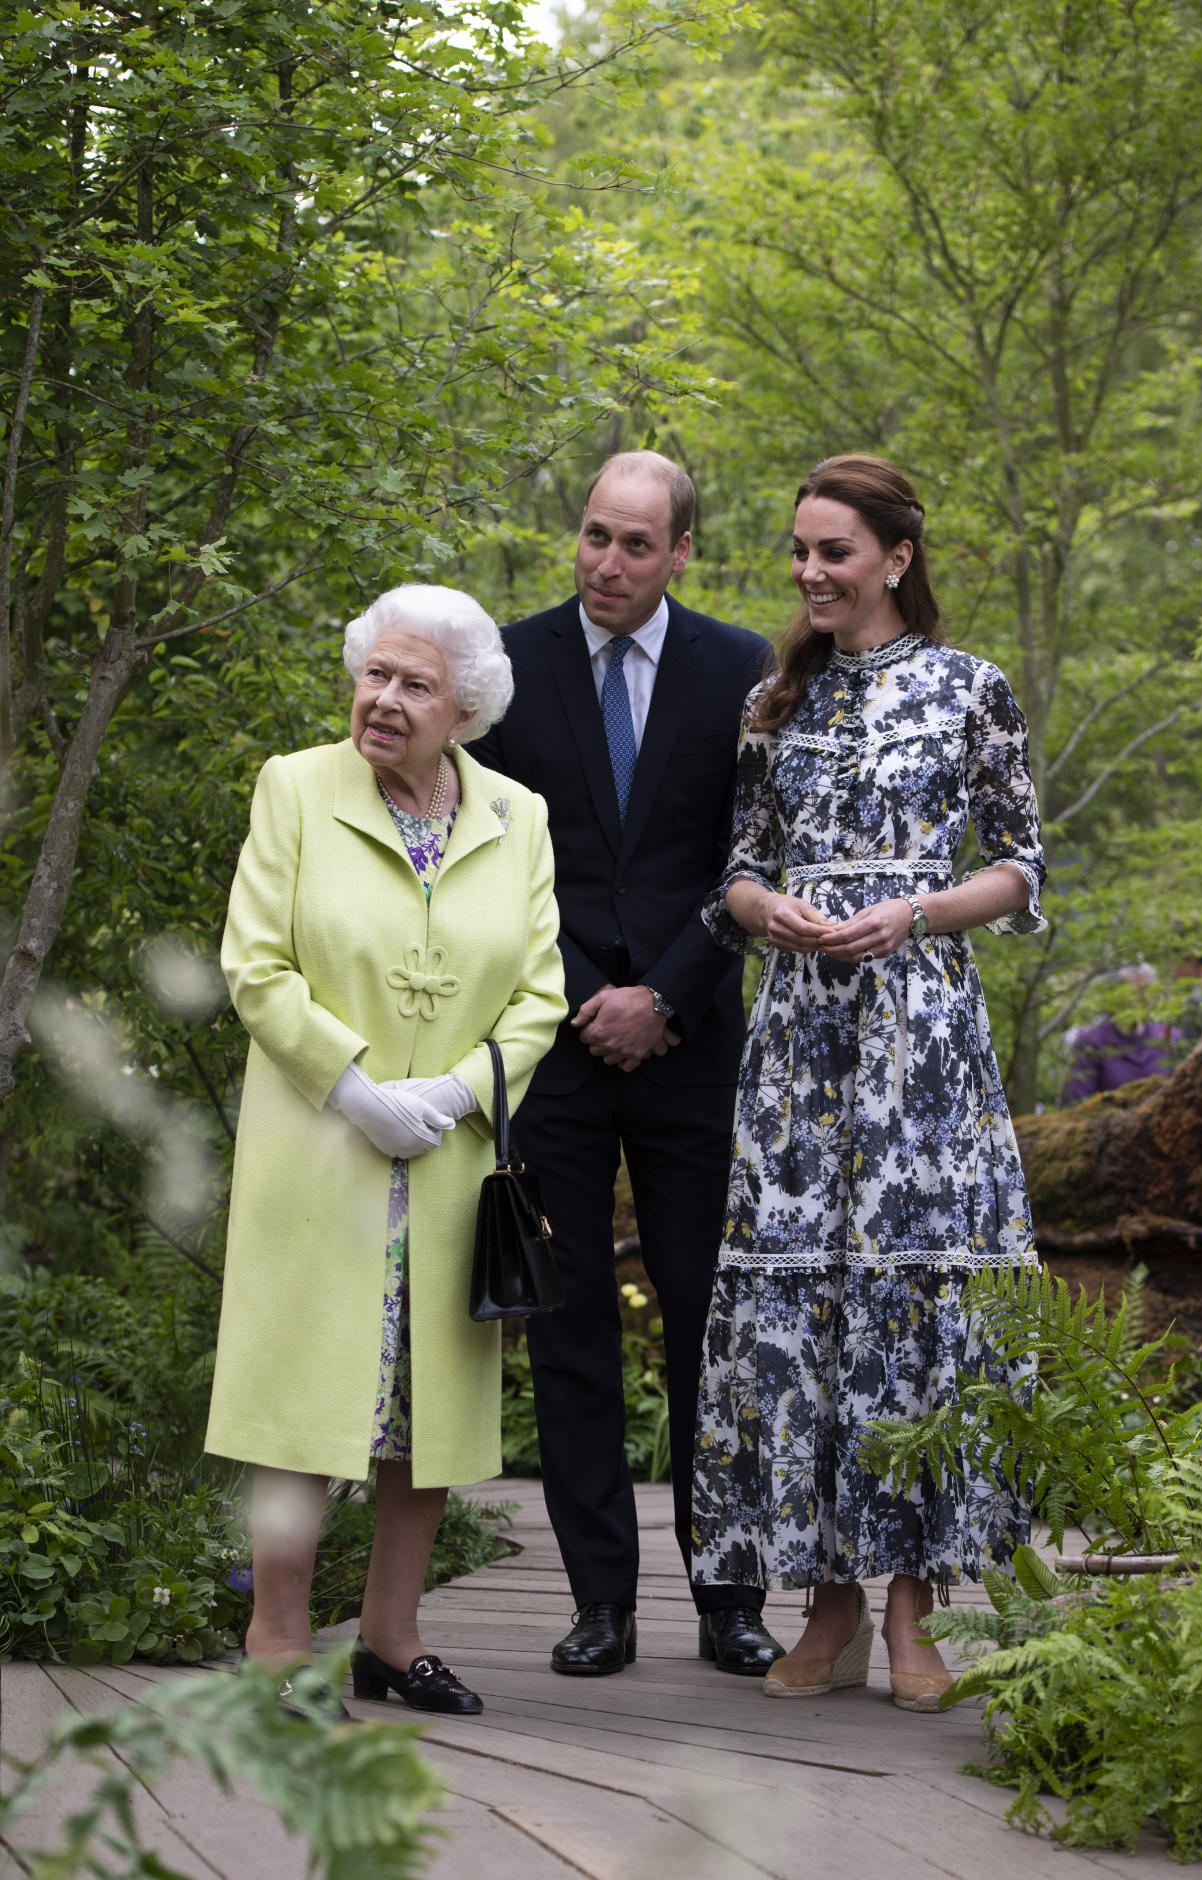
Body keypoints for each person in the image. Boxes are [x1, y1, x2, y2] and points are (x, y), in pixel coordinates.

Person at [692, 454, 1046, 1712]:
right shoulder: (774, 702)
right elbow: (733, 871)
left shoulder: (971, 692)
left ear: (895, 556)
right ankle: (824, 1607)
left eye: (832, 551)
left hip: (920, 1043)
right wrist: (764, 907)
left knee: (909, 1307)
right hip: (799, 1051)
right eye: (799, 550)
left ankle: (911, 1612)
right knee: (808, 1318)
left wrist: (919, 911)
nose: (808, 572)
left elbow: (1019, 869)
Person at [205, 584, 566, 1717]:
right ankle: (275, 1634)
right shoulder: (297, 787)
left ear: (464, 707)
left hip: (451, 1162)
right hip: (323, 1147)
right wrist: (356, 1088)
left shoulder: (520, 815)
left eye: (415, 685)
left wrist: (459, 1091)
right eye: (375, 674)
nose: (384, 700)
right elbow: (255, 964)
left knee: (422, 1408)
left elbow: (541, 992)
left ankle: (392, 1637)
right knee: (301, 1399)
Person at [469, 450, 781, 1677]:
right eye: (595, 535)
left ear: (683, 552)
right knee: (571, 1325)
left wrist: (667, 992)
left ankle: (728, 1599)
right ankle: (600, 1600)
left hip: (693, 1041)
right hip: (552, 1046)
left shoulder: (740, 667)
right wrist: (586, 994)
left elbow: (750, 852)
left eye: (636, 544)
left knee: (715, 1319)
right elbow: (483, 854)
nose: (607, 562)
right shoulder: (509, 662)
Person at [1062, 964, 1178, 1102]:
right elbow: (1081, 1100)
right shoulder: (1091, 1041)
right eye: (1133, 993)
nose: (1141, 1000)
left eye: (1146, 991)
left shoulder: (1168, 1037)